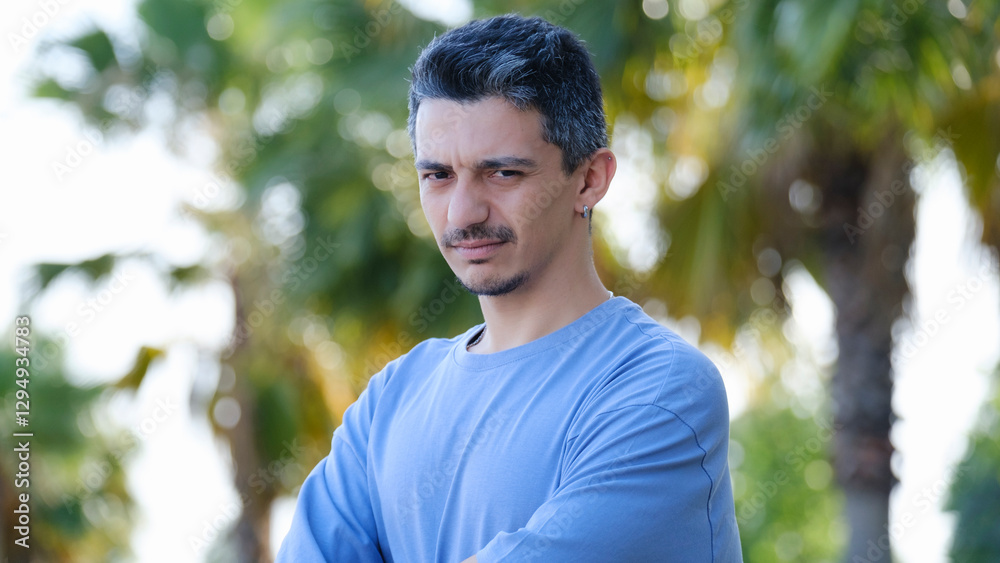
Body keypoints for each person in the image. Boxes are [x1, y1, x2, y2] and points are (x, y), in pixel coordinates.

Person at [277, 14, 742, 563]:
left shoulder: (659, 389)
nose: (462, 213)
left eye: (502, 173)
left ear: (590, 179)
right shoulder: (392, 398)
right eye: (438, 176)